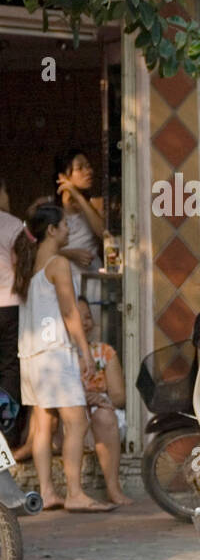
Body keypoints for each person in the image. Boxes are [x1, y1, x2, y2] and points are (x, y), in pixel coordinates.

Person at [13, 201, 115, 512]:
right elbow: (70, 311)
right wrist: (85, 351)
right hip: (55, 353)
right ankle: (75, 492)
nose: (69, 229)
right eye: (65, 225)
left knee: (43, 425)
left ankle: (48, 492)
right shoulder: (58, 264)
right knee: (77, 421)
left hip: (31, 354)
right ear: (52, 230)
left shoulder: (27, 264)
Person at [75, 296, 131, 505]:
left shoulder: (104, 352)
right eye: (78, 317)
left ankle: (113, 488)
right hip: (72, 416)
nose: (85, 322)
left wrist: (98, 400)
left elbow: (119, 397)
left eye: (88, 317)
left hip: (102, 414)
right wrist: (82, 398)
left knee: (105, 415)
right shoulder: (60, 354)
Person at [54, 149, 107, 299]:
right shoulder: (53, 210)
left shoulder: (96, 204)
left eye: (89, 166)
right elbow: (39, 250)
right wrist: (70, 254)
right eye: (80, 168)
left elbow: (104, 232)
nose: (88, 171)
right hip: (63, 281)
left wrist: (78, 196)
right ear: (63, 176)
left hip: (92, 281)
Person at [0, 179, 23, 446]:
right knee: (8, 369)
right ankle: (7, 434)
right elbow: (23, 267)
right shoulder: (14, 225)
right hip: (9, 307)